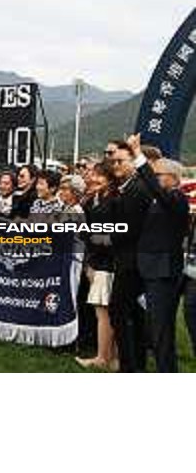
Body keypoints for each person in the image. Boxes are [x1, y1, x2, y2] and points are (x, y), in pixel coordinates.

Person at [128, 133, 190, 373]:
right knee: (151, 327)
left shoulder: (176, 200)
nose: (154, 178)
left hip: (163, 271)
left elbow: (153, 187)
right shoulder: (159, 200)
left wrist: (138, 155)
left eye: (158, 175)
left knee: (161, 329)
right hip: (147, 267)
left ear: (173, 179)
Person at [109, 141, 151, 373]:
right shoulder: (128, 187)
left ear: (133, 163)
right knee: (130, 315)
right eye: (113, 160)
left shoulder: (136, 189)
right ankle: (134, 366)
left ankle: (130, 367)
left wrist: (105, 235)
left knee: (122, 314)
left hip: (132, 262)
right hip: (128, 259)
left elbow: (128, 228)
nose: (115, 165)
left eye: (120, 161)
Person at [76, 162, 117, 370]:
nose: (93, 178)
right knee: (103, 312)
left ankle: (103, 358)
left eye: (98, 175)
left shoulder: (111, 200)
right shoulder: (96, 199)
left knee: (104, 313)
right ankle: (110, 358)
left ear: (109, 178)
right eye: (92, 175)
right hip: (96, 261)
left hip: (105, 264)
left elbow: (108, 235)